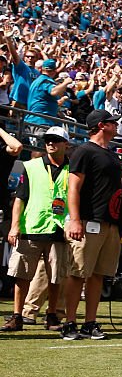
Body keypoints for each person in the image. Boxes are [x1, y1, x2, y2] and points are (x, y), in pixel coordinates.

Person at [63, 110, 122, 340]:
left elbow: (114, 190)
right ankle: (69, 322)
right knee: (78, 273)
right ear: (102, 125)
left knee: (98, 275)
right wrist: (75, 219)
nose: (117, 125)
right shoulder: (84, 151)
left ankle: (89, 322)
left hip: (110, 222)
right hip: (87, 220)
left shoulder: (111, 155)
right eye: (113, 122)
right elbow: (73, 187)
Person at [2, 127, 69, 333]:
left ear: (66, 144)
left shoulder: (73, 168)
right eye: (48, 140)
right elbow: (19, 199)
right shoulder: (31, 166)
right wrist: (15, 227)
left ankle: (51, 315)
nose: (51, 143)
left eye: (56, 140)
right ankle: (17, 316)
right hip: (31, 227)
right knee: (21, 275)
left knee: (56, 276)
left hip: (59, 229)